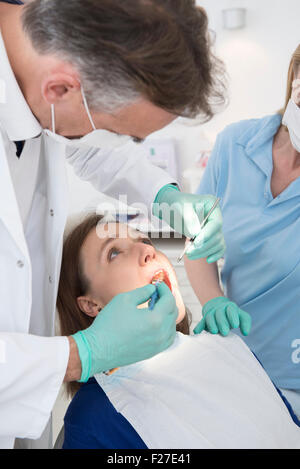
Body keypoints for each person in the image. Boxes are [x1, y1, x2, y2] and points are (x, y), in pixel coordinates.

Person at [0, 0, 227, 448]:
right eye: (117, 129)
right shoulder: (97, 424)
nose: (148, 249)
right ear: (61, 89)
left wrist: (164, 194)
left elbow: (90, 143)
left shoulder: (48, 90)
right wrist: (79, 355)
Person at [56, 214, 300, 449]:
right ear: (91, 305)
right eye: (115, 252)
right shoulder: (92, 418)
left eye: (144, 240)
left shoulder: (227, 346)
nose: (147, 250)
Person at [184, 44, 300, 418]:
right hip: (237, 362)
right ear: (294, 80)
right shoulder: (235, 145)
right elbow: (197, 240)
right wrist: (213, 299)